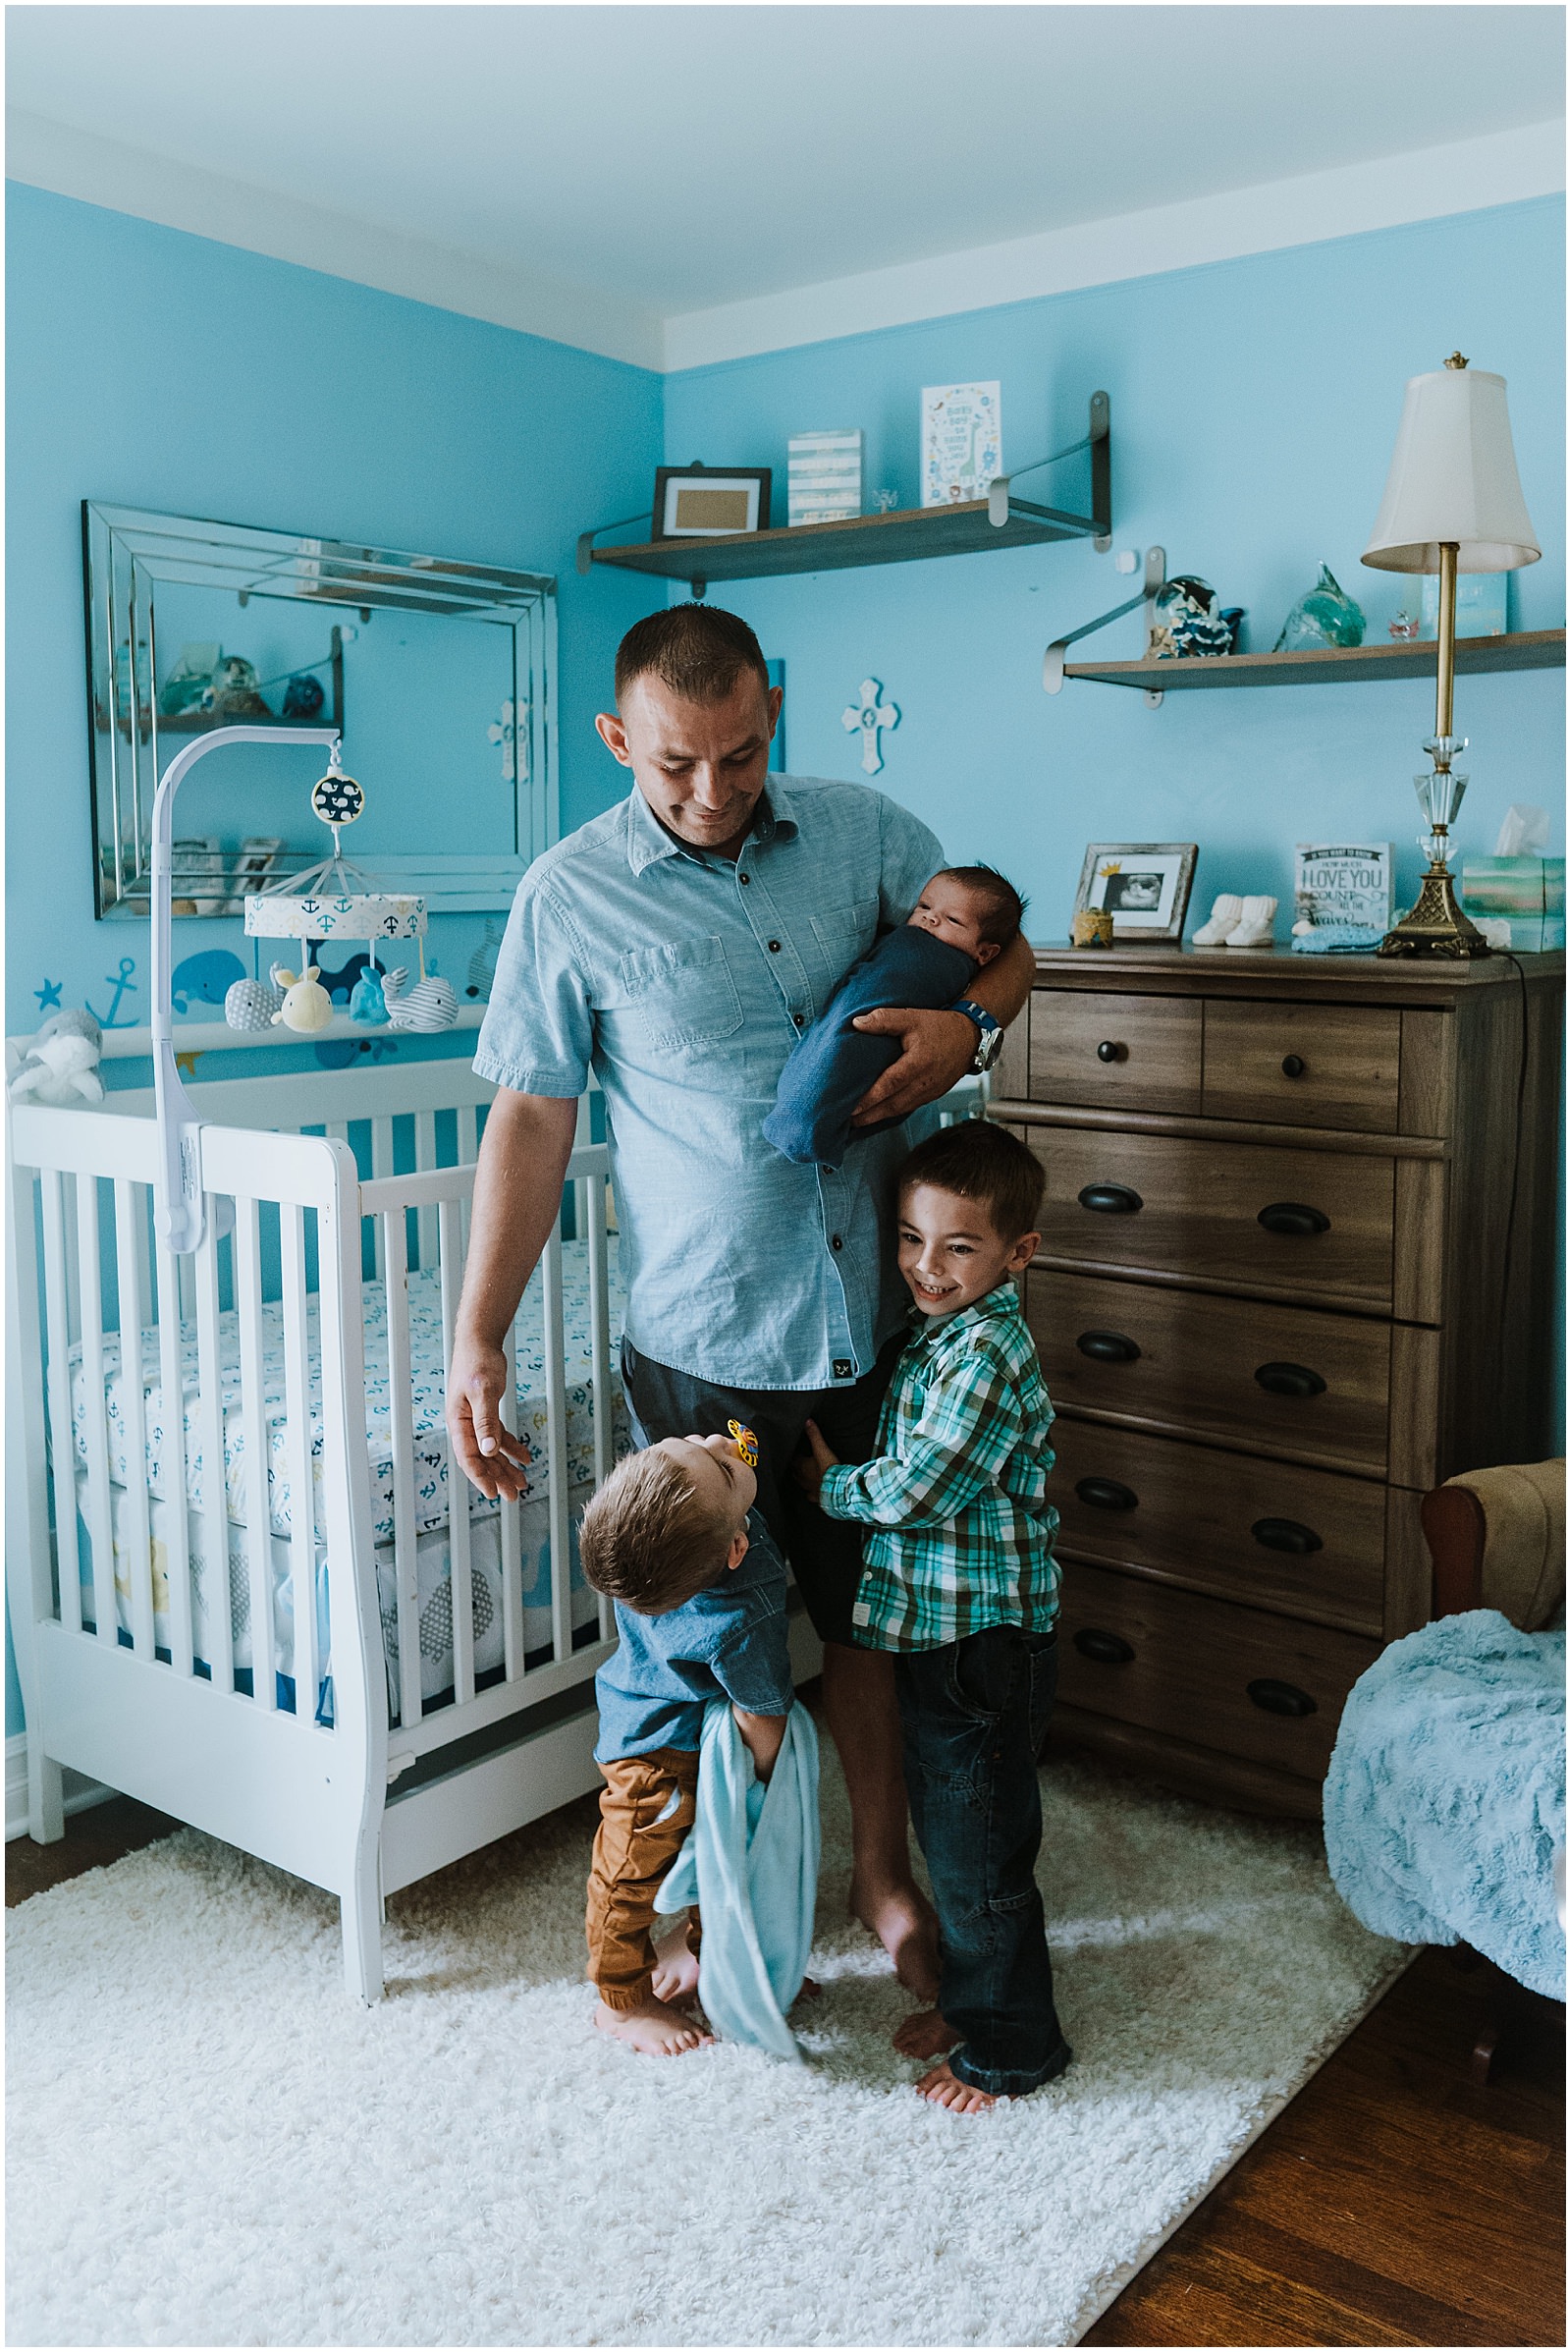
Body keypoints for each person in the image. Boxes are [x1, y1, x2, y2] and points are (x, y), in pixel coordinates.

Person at [446, 602, 1035, 1997]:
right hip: (706, 1352)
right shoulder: (569, 894)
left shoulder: (871, 832)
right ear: (616, 739)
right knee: (721, 1644)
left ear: (775, 708)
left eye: (743, 753)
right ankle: (721, 1895)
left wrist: (975, 1022)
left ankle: (883, 1875)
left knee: (874, 1625)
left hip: (881, 1325)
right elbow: (531, 1120)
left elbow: (1007, 948)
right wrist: (477, 1337)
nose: (713, 791)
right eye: (674, 765)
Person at [796, 1120, 1071, 2113]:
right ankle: (971, 1997)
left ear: (1015, 1254)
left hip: (983, 1646)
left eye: (958, 1247)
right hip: (940, 1637)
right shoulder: (936, 1333)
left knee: (980, 1860)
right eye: (911, 1240)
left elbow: (922, 1483)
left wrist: (832, 1490)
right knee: (958, 1839)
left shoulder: (987, 1353)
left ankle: (1011, 2048)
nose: (926, 1266)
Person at [577, 1428, 795, 2055]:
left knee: (719, 1862)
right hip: (655, 1755)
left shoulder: (646, 1556)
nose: (717, 1442)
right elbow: (762, 1710)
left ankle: (720, 1967)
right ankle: (621, 2001)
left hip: (690, 1730)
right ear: (736, 1549)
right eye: (721, 1469)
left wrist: (720, 1473)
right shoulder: (741, 1611)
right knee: (626, 1876)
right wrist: (763, 1781)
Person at [762, 864, 1026, 1169]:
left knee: (852, 1058)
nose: (930, 917)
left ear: (984, 954)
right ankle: (808, 1120)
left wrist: (966, 1027)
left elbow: (1019, 954)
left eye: (952, 919)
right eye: (924, 906)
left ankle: (807, 1122)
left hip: (888, 1171)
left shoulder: (943, 959)